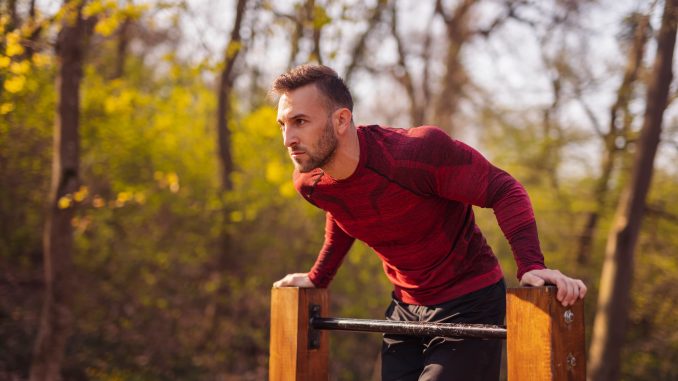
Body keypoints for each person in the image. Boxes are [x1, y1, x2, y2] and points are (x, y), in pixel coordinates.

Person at [271, 64, 586, 381]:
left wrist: (531, 264)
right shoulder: (310, 183)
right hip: (404, 309)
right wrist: (318, 277)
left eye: (299, 121)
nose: (288, 138)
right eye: (283, 124)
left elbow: (504, 189)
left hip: (470, 302)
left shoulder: (416, 153)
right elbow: (342, 210)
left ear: (341, 120)